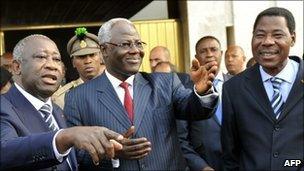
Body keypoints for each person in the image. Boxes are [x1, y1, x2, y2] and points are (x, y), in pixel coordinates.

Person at [64, 18, 219, 170]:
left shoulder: (166, 83)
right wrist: (110, 153)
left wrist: (201, 92)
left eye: (138, 43)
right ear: (104, 50)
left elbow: (194, 109)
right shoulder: (77, 98)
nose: (135, 50)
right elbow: (75, 154)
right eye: (125, 44)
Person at [0, 34, 124, 171]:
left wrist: (108, 151)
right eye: (41, 57)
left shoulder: (57, 111)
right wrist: (64, 137)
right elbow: (5, 151)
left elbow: (72, 162)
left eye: (57, 59)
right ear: (17, 67)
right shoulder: (4, 107)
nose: (52, 65)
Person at [221, 7, 303, 171]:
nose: (267, 41)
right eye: (260, 35)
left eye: (277, 35)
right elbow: (230, 154)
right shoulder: (234, 88)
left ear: (292, 39)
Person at [177, 36, 232, 171]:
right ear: (196, 56)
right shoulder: (184, 90)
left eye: (213, 50)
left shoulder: (237, 84)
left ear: (221, 53)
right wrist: (201, 166)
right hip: (205, 163)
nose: (209, 54)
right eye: (203, 51)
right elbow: (181, 138)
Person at [52, 27, 105, 109]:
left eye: (92, 55)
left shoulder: (117, 86)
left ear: (101, 57)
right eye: (81, 57)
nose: (88, 61)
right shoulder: (63, 97)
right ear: (73, 62)